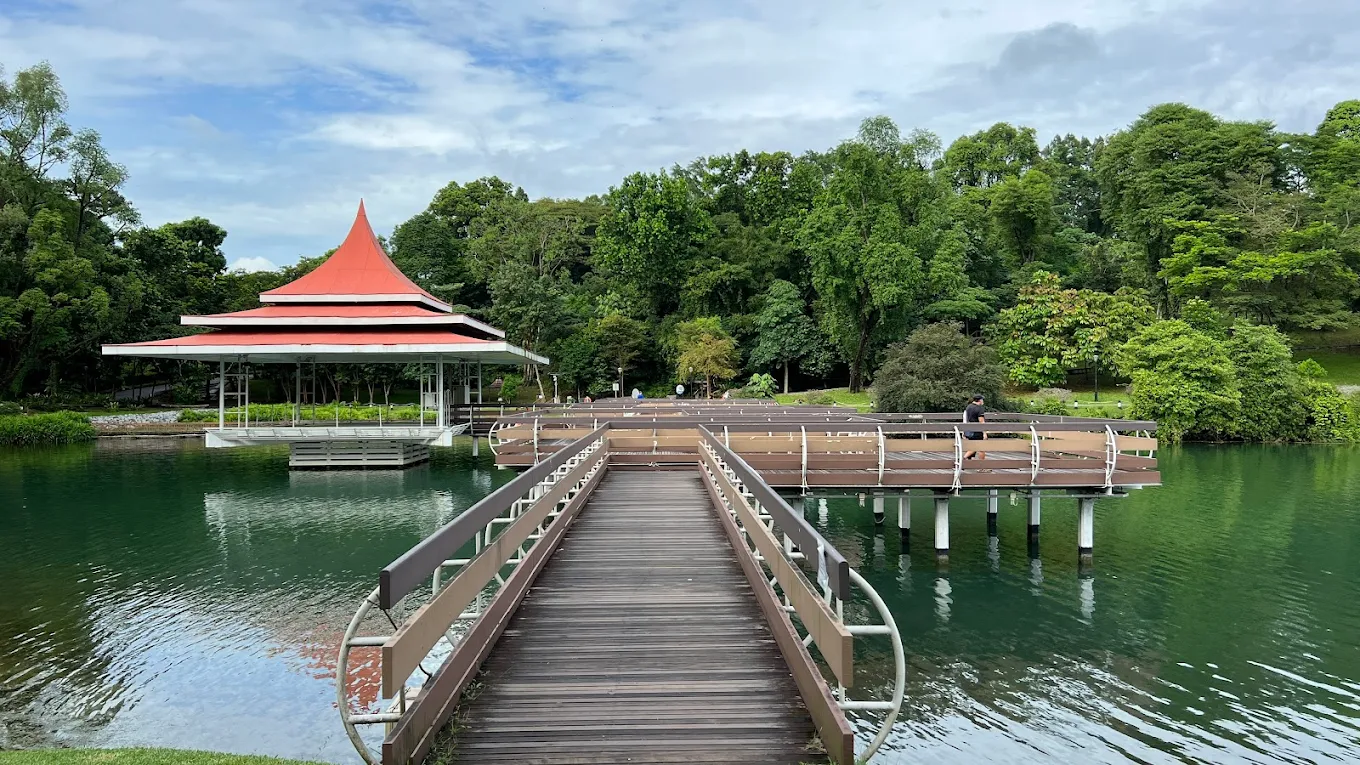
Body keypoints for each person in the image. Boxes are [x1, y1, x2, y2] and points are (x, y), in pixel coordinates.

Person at [963, 394, 986, 460]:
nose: (983, 401)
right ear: (980, 400)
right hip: (977, 431)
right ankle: (982, 466)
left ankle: (967, 462)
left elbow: (965, 419)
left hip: (969, 430)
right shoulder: (979, 409)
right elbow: (981, 422)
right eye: (982, 400)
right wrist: (984, 433)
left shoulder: (968, 407)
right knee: (981, 448)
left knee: (973, 446)